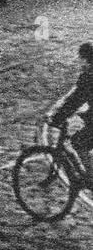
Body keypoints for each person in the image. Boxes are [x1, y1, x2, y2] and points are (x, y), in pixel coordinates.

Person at [46, 43, 93, 171]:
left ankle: (89, 181)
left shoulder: (88, 77)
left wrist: (56, 119)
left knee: (79, 143)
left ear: (85, 60)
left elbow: (74, 101)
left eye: (81, 59)